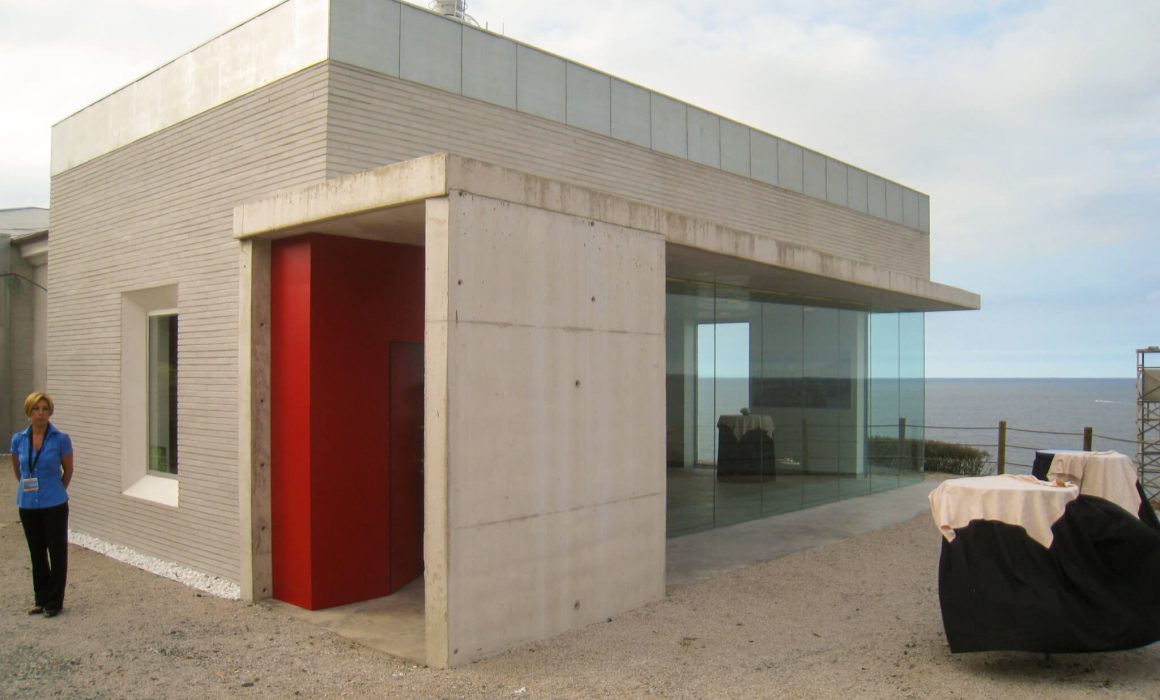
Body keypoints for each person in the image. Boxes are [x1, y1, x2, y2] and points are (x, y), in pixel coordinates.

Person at [10, 392, 74, 618]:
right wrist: (30, 487)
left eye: (45, 409)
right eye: (36, 409)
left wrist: (56, 489)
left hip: (54, 503)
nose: (41, 414)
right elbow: (18, 470)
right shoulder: (19, 439)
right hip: (28, 505)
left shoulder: (61, 439)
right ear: (29, 412)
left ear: (50, 412)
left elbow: (68, 470)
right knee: (37, 553)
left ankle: (54, 602)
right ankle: (41, 598)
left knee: (57, 553)